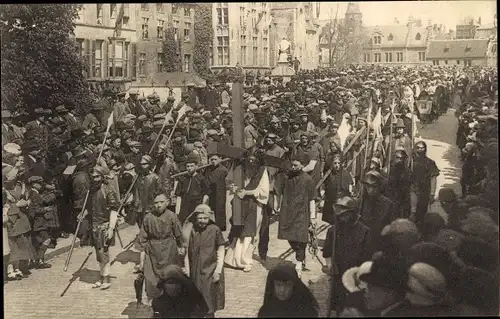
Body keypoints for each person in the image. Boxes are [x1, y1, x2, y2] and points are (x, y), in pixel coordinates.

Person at [323, 196, 372, 313]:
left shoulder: (364, 232)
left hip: (356, 278)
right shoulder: (333, 231)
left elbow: (368, 259)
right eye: (340, 215)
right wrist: (330, 266)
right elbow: (327, 252)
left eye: (345, 215)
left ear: (353, 213)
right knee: (339, 308)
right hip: (338, 276)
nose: (342, 218)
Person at [136, 194, 183, 303]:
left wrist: (181, 247)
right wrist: (144, 254)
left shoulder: (172, 216)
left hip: (169, 248)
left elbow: (179, 234)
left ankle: (171, 302)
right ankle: (156, 303)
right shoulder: (148, 217)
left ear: (167, 202)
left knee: (170, 276)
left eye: (161, 202)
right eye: (156, 203)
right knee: (153, 279)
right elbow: (143, 237)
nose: (158, 205)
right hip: (153, 250)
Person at [225, 155, 269, 272]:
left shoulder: (262, 172)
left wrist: (248, 192)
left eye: (253, 163)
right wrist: (234, 188)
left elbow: (264, 191)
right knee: (238, 229)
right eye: (248, 163)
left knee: (250, 232)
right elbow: (232, 183)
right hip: (240, 203)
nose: (250, 166)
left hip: (255, 204)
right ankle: (234, 260)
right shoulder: (240, 169)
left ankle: (245, 260)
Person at [276, 154, 316, 278]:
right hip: (289, 212)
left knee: (301, 238)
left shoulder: (308, 180)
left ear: (303, 165)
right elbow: (281, 192)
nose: (293, 167)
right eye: (292, 165)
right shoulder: (287, 178)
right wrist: (278, 206)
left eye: (296, 165)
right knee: (289, 236)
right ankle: (300, 256)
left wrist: (313, 217)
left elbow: (312, 199)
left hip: (302, 213)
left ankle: (298, 263)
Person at [182, 204, 225, 318]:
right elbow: (187, 251)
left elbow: (220, 250)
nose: (202, 221)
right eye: (199, 218)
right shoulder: (192, 231)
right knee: (196, 297)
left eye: (205, 218)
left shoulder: (215, 230)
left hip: (210, 269)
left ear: (209, 218)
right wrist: (187, 268)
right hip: (195, 270)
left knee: (209, 297)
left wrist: (218, 270)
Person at [83, 165, 120, 290]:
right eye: (93, 177)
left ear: (103, 176)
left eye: (97, 176)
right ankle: (101, 275)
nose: (95, 179)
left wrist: (111, 228)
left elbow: (114, 210)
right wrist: (83, 213)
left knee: (103, 252)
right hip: (94, 225)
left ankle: (106, 278)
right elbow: (91, 207)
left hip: (105, 225)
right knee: (98, 253)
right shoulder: (91, 190)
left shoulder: (108, 190)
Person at [175, 152, 209, 224]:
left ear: (196, 166)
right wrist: (177, 211)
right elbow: (179, 196)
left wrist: (203, 208)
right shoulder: (183, 179)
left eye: (191, 166)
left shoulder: (201, 179)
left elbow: (206, 195)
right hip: (184, 208)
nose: (189, 168)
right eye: (188, 166)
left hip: (196, 207)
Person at [411, 141, 440, 224]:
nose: (420, 150)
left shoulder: (430, 163)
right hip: (412, 189)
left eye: (422, 148)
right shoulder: (410, 162)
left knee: (422, 213)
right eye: (418, 148)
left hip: (424, 191)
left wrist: (432, 193)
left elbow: (433, 178)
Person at [132, 155, 160, 229]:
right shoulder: (137, 177)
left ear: (149, 164)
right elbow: (135, 191)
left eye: (145, 164)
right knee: (141, 225)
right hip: (139, 206)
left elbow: (159, 192)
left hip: (150, 206)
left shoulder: (155, 177)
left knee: (150, 226)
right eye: (141, 164)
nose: (143, 166)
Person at [205, 154, 228, 232]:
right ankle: (212, 225)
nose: (213, 161)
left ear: (220, 159)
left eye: (215, 159)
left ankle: (221, 226)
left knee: (220, 208)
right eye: (212, 160)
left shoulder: (223, 170)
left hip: (220, 191)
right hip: (211, 191)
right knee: (212, 208)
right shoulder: (209, 169)